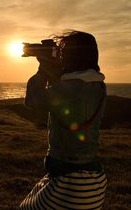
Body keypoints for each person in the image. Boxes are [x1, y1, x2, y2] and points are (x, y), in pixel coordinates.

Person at [20, 30, 107, 209]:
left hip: (71, 184)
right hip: (94, 180)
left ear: (73, 57)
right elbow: (67, 98)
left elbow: (33, 101)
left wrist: (42, 70)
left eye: (63, 52)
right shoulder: (98, 85)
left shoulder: (69, 88)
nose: (60, 55)